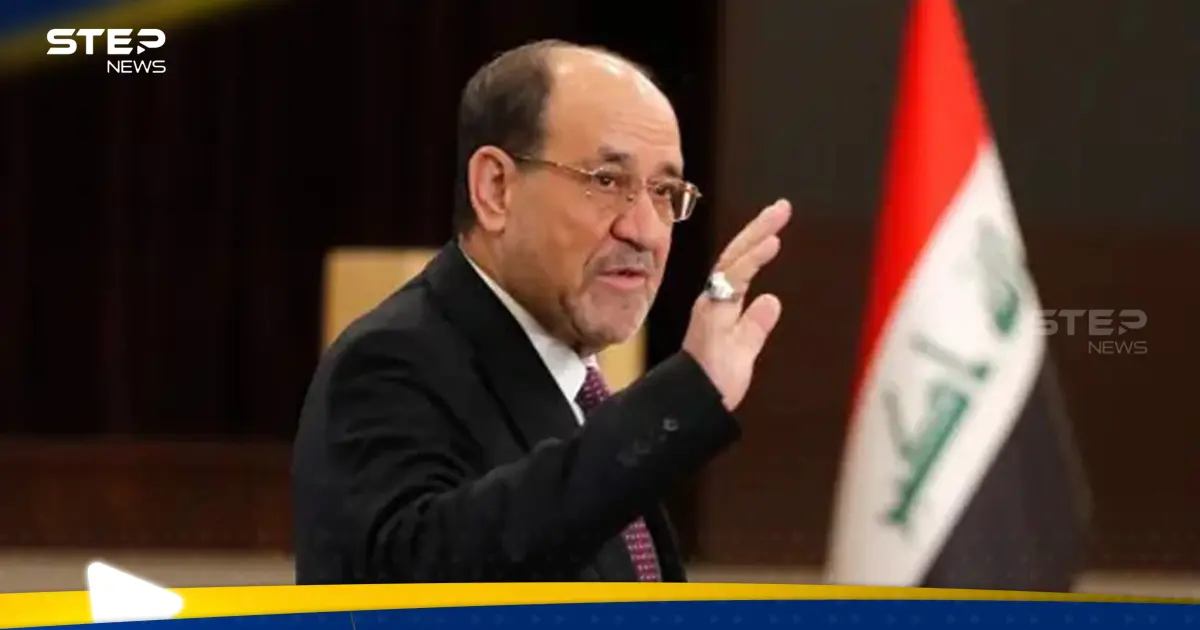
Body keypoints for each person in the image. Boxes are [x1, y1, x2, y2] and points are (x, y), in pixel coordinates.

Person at [291, 39, 792, 584]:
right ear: (496, 189)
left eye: (665, 192)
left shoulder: (583, 391)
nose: (646, 231)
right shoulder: (391, 361)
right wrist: (678, 398)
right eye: (607, 181)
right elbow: (424, 585)